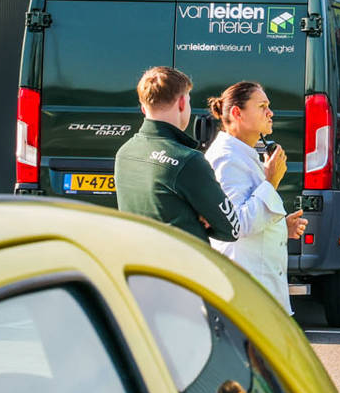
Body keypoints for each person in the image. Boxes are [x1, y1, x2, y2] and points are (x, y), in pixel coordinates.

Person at [204, 81, 309, 312]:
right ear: (237, 113)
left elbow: (250, 214)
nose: (271, 113)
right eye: (262, 106)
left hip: (256, 293)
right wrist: (271, 181)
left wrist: (280, 226)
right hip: (245, 297)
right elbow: (237, 224)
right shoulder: (227, 159)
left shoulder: (241, 153)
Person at [114, 66, 240, 246]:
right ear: (182, 103)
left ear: (143, 108)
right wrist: (201, 216)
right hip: (181, 267)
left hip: (137, 265)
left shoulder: (125, 152)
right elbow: (232, 229)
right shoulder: (187, 160)